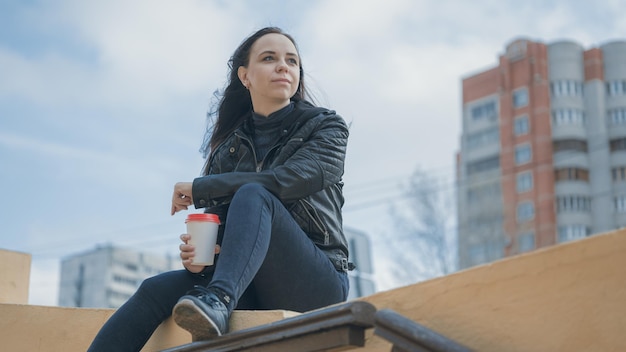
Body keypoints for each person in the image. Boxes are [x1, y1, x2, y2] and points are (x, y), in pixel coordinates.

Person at [87, 26, 352, 351]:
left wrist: (203, 189)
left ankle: (217, 300)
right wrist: (202, 258)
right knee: (154, 289)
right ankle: (216, 298)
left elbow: (289, 180)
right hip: (249, 283)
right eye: (269, 58)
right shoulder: (229, 148)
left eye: (292, 61)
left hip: (316, 282)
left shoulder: (326, 126)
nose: (284, 66)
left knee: (256, 195)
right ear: (245, 76)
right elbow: (224, 235)